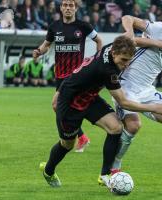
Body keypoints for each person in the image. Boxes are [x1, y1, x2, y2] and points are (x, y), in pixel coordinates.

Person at [39, 35, 162, 187]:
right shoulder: (107, 70)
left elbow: (132, 39)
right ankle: (48, 171)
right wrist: (153, 107)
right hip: (70, 103)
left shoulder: (114, 47)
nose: (127, 65)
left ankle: (105, 174)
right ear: (114, 54)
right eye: (124, 60)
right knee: (68, 144)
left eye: (129, 60)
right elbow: (124, 102)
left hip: (89, 98)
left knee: (116, 128)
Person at [99, 14, 162, 189]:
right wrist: (130, 32)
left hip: (147, 90)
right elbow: (127, 18)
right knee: (133, 126)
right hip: (126, 87)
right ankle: (114, 168)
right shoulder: (159, 29)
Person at [33, 0, 103, 152]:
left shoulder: (83, 26)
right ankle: (81, 136)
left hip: (76, 75)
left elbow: (99, 40)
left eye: (71, 5)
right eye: (65, 5)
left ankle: (79, 136)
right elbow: (46, 45)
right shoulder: (54, 27)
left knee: (56, 105)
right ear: (61, 8)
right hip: (60, 75)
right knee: (65, 106)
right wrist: (38, 51)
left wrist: (96, 59)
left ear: (76, 8)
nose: (68, 8)